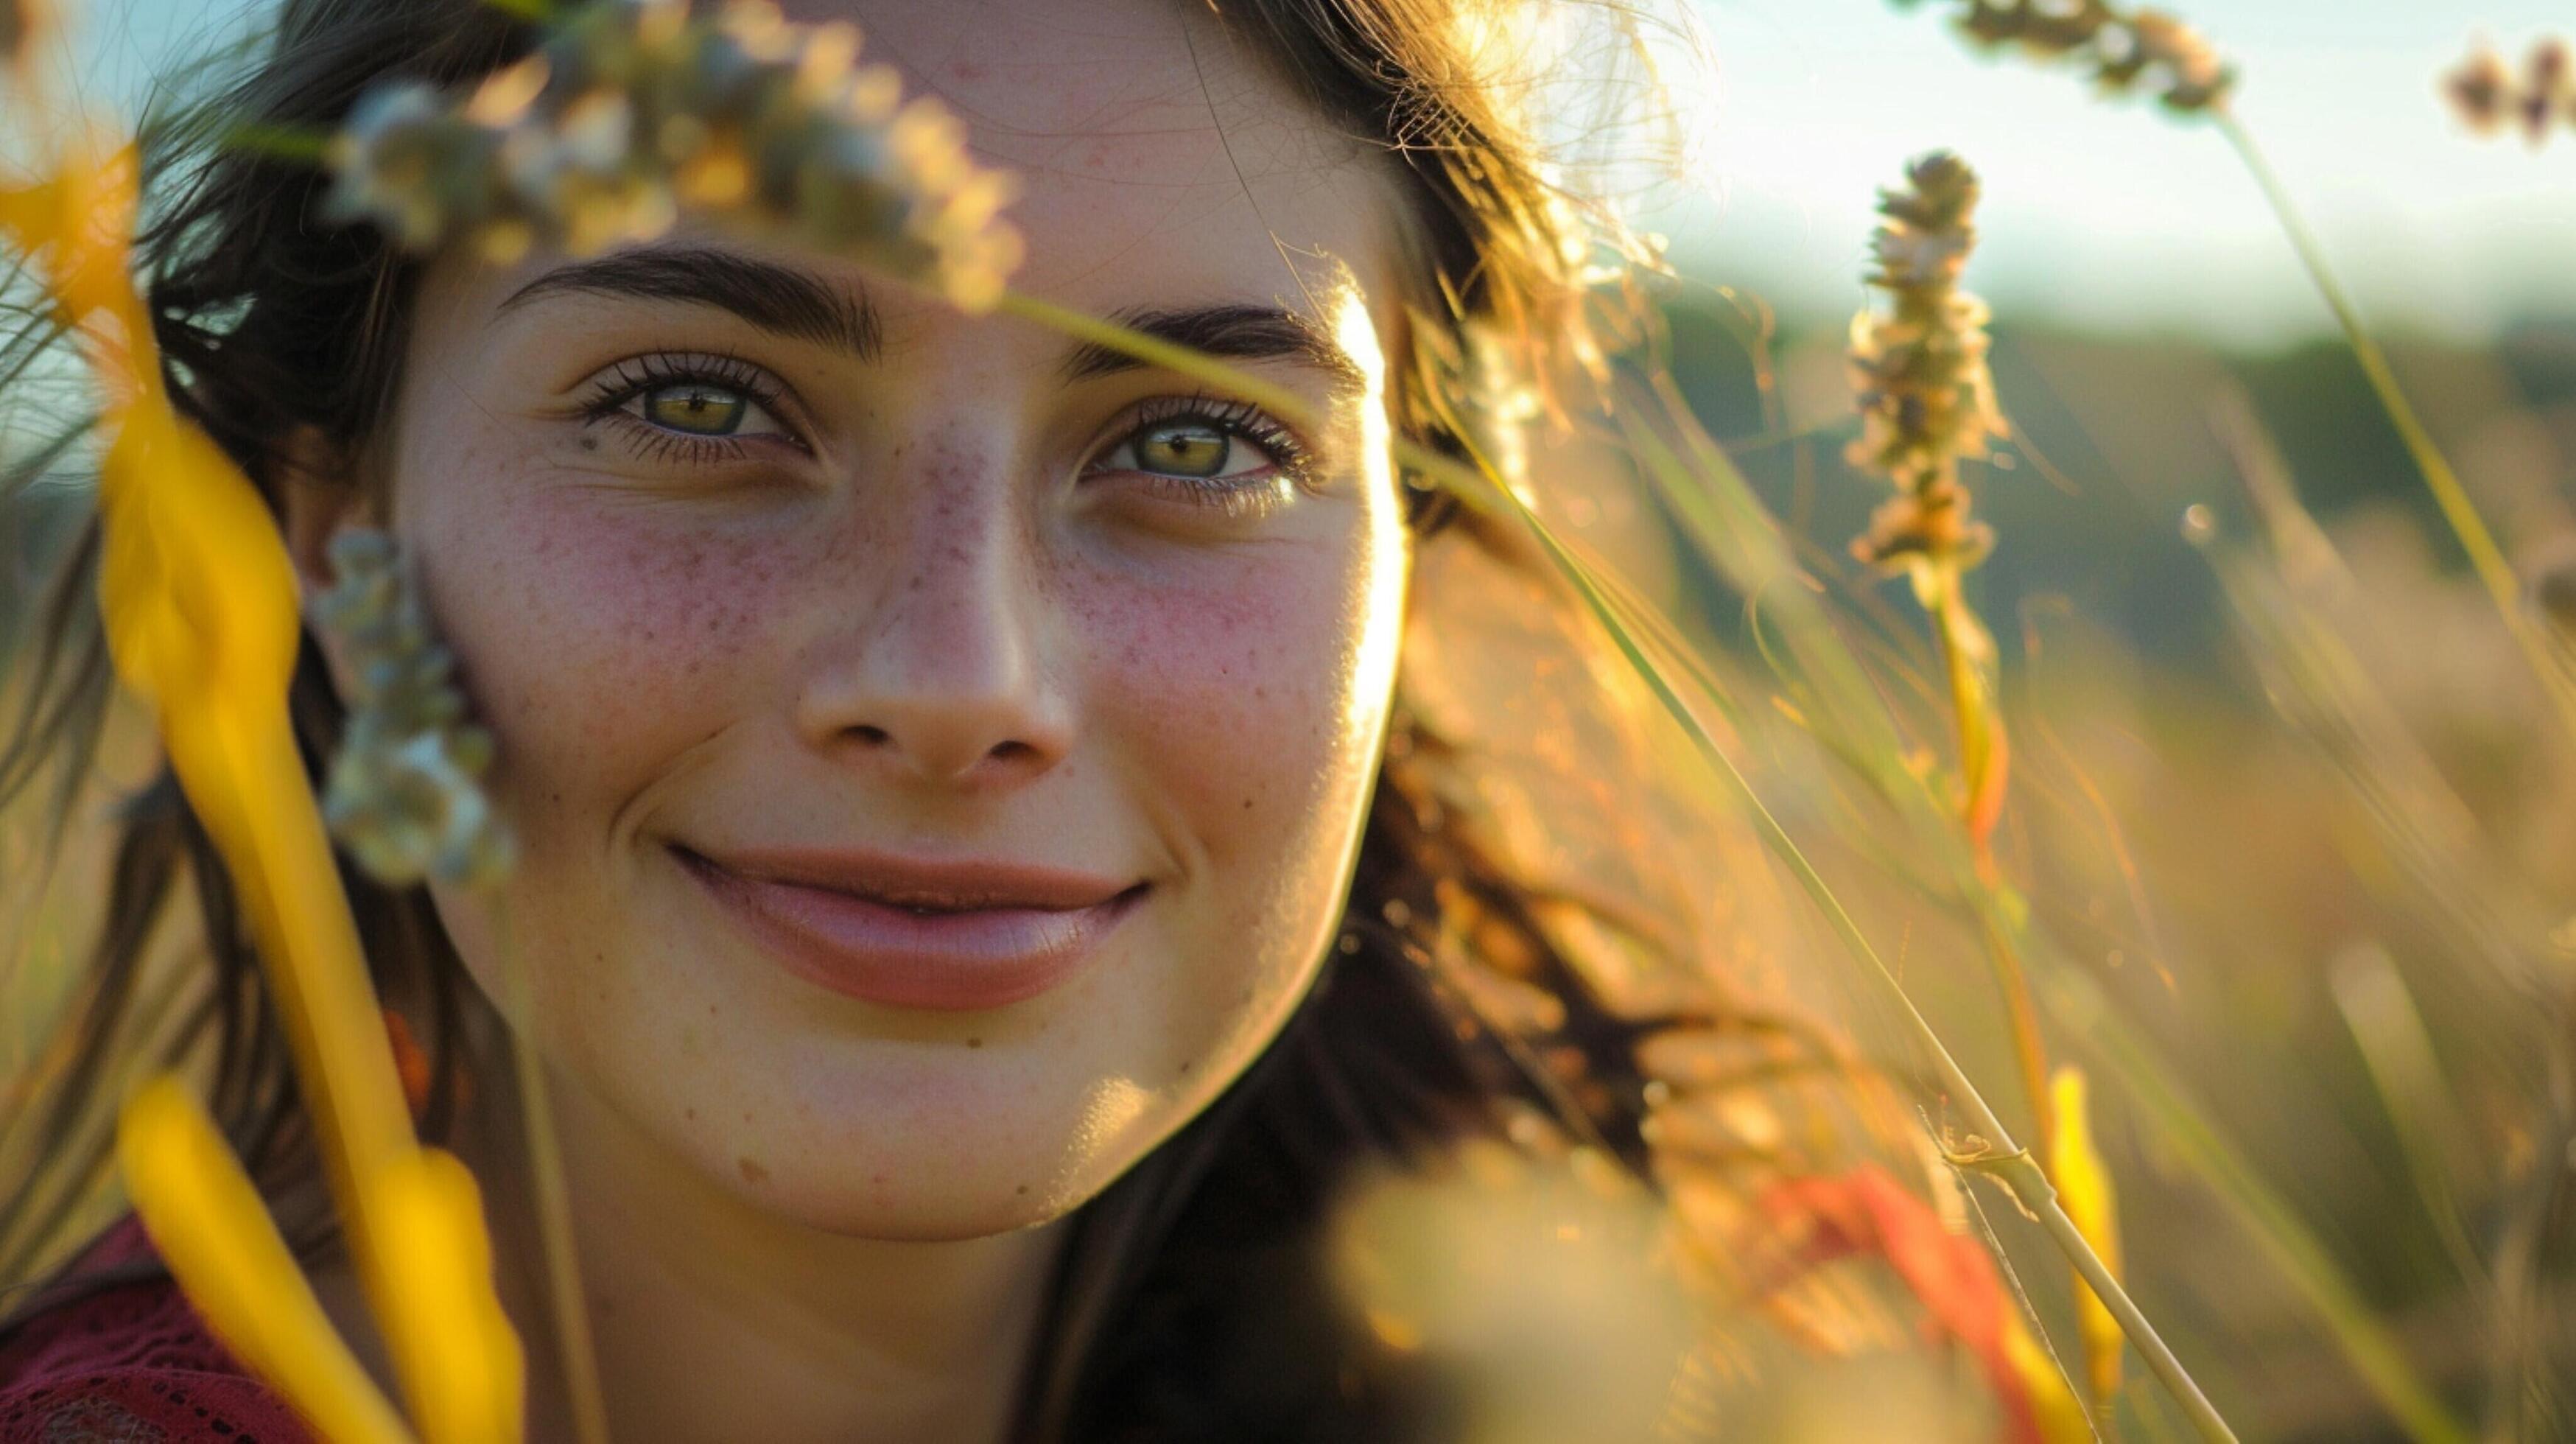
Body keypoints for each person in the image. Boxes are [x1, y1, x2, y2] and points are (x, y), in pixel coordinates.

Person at [0, 0, 1973, 1439]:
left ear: (1410, 563)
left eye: (1195, 441)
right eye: (695, 402)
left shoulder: (1803, 1371)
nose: (959, 683)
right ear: (327, 523)